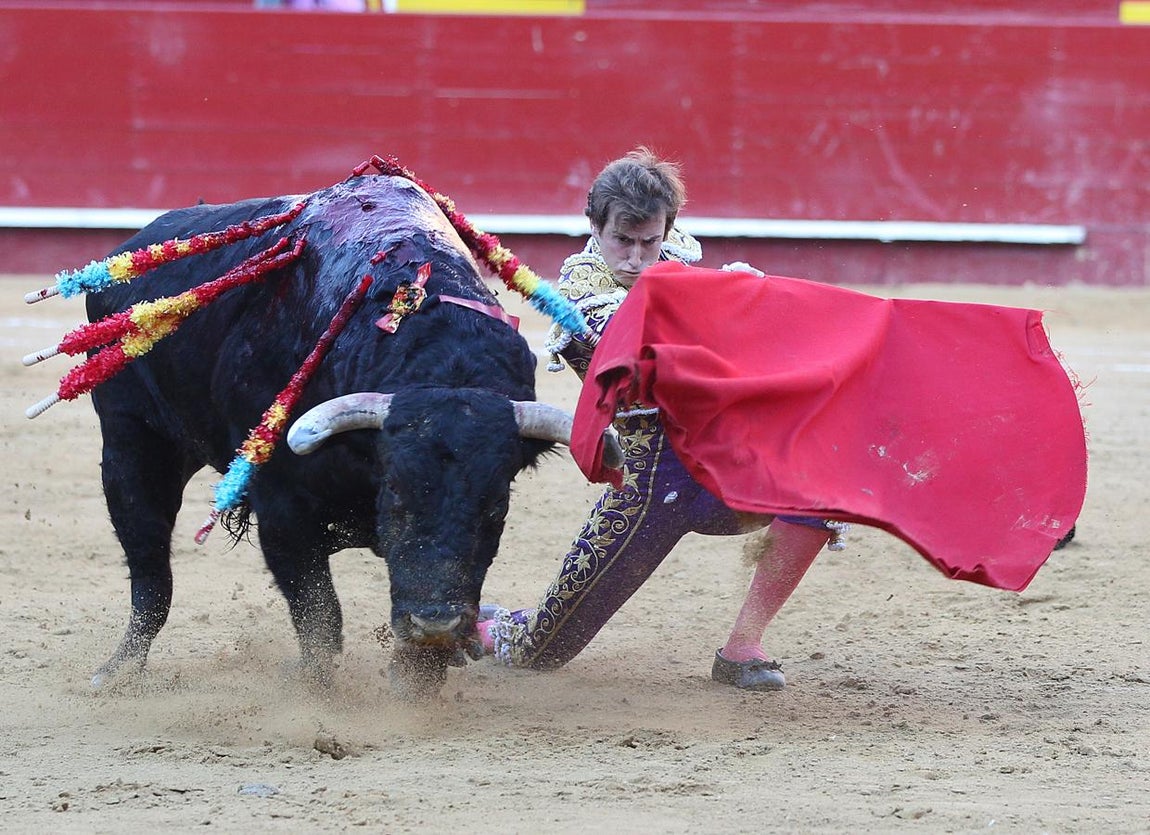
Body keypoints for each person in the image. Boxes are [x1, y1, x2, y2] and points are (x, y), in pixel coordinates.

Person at [476, 147, 845, 690]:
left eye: (649, 242)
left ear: (668, 231)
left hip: (723, 468)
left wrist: (747, 300)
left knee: (821, 493)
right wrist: (726, 302)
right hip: (649, 487)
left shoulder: (685, 272)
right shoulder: (579, 294)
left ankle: (743, 647)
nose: (636, 258)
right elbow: (638, 339)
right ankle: (487, 626)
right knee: (539, 653)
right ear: (595, 228)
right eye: (622, 241)